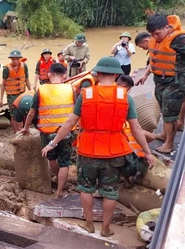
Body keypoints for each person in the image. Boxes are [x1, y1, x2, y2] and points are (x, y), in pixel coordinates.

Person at [42, 57, 154, 237]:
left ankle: (89, 225)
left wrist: (52, 143)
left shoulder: (86, 94)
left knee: (86, 188)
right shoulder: (125, 97)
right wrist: (147, 153)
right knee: (110, 192)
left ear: (98, 74)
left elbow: (70, 122)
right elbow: (136, 128)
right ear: (117, 75)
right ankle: (105, 228)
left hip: (88, 150)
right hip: (115, 151)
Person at [22, 63, 75, 198]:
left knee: (52, 157)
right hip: (66, 131)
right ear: (64, 76)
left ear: (49, 75)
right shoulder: (71, 89)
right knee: (65, 162)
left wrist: (26, 127)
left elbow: (32, 112)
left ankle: (58, 178)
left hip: (47, 131)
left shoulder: (41, 90)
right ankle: (59, 191)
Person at [136, 14, 185, 153]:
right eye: (152, 34)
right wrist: (145, 74)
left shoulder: (179, 39)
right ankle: (164, 135)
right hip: (160, 81)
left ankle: (169, 144)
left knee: (170, 115)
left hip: (175, 82)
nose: (155, 37)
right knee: (165, 111)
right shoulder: (155, 39)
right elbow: (153, 59)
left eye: (157, 33)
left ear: (167, 27)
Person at [117, 75, 156, 186]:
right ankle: (127, 179)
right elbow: (138, 130)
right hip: (122, 155)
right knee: (142, 166)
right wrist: (147, 152)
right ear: (124, 86)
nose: (128, 93)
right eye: (128, 90)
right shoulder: (125, 100)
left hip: (96, 150)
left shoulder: (96, 93)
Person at [0, 49, 31, 132]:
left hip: (22, 94)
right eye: (13, 59)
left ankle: (23, 130)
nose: (15, 61)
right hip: (12, 95)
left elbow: (27, 79)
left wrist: (31, 91)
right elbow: (3, 84)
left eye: (17, 59)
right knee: (13, 115)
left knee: (24, 112)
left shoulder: (24, 66)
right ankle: (16, 132)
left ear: (20, 58)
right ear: (11, 59)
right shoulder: (6, 69)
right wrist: (1, 99)